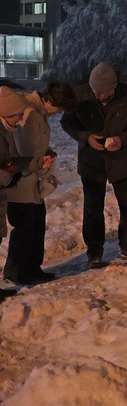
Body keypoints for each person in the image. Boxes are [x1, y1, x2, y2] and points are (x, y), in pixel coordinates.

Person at [61, 62, 127, 267]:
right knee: (92, 208)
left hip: (122, 161)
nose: (98, 96)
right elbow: (67, 122)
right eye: (95, 91)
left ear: (114, 87)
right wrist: (86, 137)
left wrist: (123, 139)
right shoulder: (80, 94)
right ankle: (94, 252)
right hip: (91, 161)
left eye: (103, 92)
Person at [4, 82, 76, 284]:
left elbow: (35, 145)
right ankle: (17, 271)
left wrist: (46, 152)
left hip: (31, 180)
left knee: (35, 225)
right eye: (59, 108)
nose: (58, 113)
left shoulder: (37, 110)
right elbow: (24, 149)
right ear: (51, 101)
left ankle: (31, 268)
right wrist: (42, 161)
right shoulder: (28, 112)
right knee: (25, 227)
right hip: (22, 181)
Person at [0, 87, 50, 297]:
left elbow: (10, 161)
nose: (22, 120)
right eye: (19, 115)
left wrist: (37, 162)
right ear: (7, 112)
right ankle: (17, 271)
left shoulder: (4, 132)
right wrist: (6, 174)